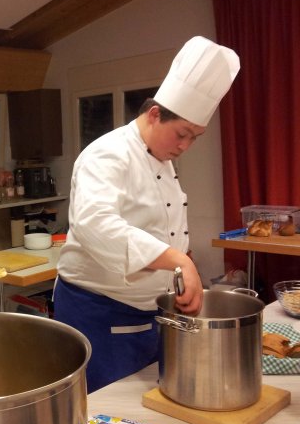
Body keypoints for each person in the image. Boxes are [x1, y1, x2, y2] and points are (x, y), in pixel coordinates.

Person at [54, 36, 240, 393]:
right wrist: (178, 261)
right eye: (182, 134)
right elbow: (95, 225)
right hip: (99, 312)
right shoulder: (107, 154)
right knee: (103, 412)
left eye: (195, 137)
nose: (185, 146)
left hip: (148, 312)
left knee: (146, 410)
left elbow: (159, 226)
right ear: (155, 114)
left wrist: (183, 269)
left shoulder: (161, 158)